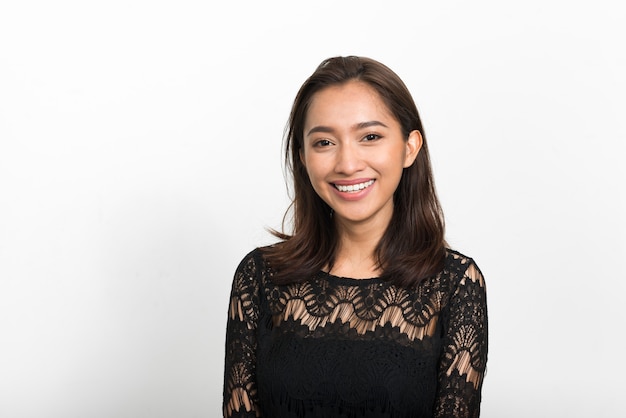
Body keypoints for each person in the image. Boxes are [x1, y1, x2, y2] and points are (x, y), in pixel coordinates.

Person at [223, 56, 488, 418]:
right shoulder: (259, 276)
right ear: (302, 157)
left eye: (370, 137)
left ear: (410, 147)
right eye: (324, 143)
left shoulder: (455, 284)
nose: (347, 164)